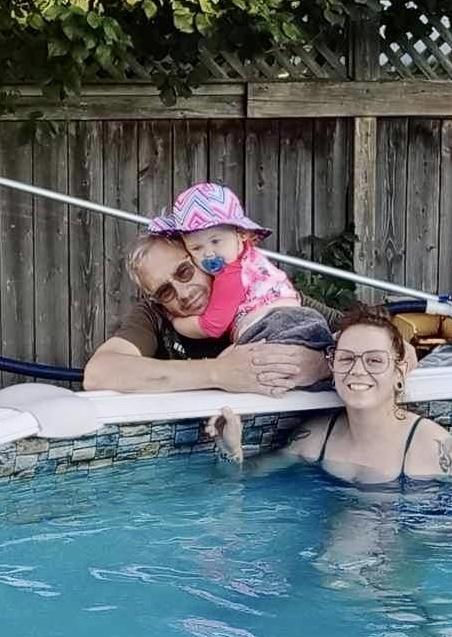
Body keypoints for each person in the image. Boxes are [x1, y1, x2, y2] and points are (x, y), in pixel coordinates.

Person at [207, 305, 451, 483]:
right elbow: (241, 480)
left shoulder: (435, 449)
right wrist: (231, 451)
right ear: (332, 368)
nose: (357, 370)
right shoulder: (316, 439)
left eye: (374, 360)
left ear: (399, 372)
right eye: (346, 359)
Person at [83, 232, 342, 395]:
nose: (183, 293)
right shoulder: (156, 314)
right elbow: (99, 373)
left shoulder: (262, 295)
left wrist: (322, 364)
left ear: (203, 258)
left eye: (184, 271)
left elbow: (359, 331)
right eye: (164, 291)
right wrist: (218, 372)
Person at [148, 183, 334, 382]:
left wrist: (177, 323)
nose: (208, 253)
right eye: (196, 248)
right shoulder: (250, 258)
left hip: (271, 327)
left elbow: (212, 326)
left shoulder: (231, 275)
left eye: (216, 241)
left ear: (242, 234)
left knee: (226, 368)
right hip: (302, 321)